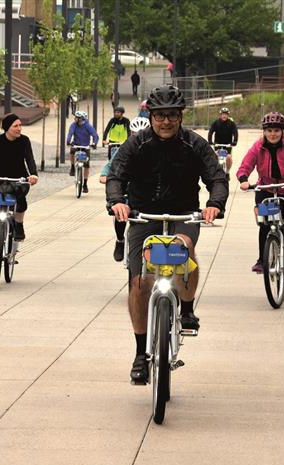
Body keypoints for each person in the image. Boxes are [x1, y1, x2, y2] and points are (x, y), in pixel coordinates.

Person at [106, 85, 228, 384]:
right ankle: (139, 354)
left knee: (184, 249)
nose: (165, 122)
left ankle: (186, 309)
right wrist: (117, 200)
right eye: (159, 116)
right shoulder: (136, 144)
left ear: (180, 116)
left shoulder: (195, 144)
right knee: (139, 282)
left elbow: (216, 177)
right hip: (142, 216)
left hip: (183, 214)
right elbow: (116, 174)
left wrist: (214, 204)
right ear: (151, 116)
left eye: (172, 116)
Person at [236, 111, 284, 277]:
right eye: (269, 130)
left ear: (282, 131)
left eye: (276, 130)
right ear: (264, 131)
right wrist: (243, 179)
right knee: (264, 226)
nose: (273, 134)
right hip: (265, 190)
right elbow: (245, 165)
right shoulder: (258, 146)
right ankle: (262, 260)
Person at [0, 113, 39, 273]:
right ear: (7, 128)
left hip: (19, 180)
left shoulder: (24, 141)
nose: (19, 128)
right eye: (15, 126)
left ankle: (18, 225)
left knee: (21, 202)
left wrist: (33, 174)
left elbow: (30, 159)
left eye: (20, 125)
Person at [100, 116, 151, 262]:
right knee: (120, 212)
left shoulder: (155, 150)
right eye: (136, 134)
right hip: (126, 189)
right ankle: (120, 240)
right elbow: (111, 166)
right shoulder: (125, 149)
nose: (139, 138)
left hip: (147, 193)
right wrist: (104, 176)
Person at [66, 110, 99, 193]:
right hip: (76, 144)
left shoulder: (88, 126)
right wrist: (68, 141)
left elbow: (95, 135)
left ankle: (85, 184)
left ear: (81, 119)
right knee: (72, 151)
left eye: (77, 117)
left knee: (87, 165)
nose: (75, 119)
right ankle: (73, 166)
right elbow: (70, 133)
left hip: (86, 146)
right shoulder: (73, 125)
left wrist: (94, 143)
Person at [207, 107, 239, 172]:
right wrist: (210, 141)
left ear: (228, 115)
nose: (224, 115)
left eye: (226, 114)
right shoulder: (216, 123)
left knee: (229, 157)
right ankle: (215, 171)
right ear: (220, 115)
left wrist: (235, 141)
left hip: (228, 144)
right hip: (217, 144)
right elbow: (210, 132)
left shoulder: (231, 123)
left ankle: (227, 172)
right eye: (223, 114)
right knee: (215, 157)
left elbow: (235, 133)